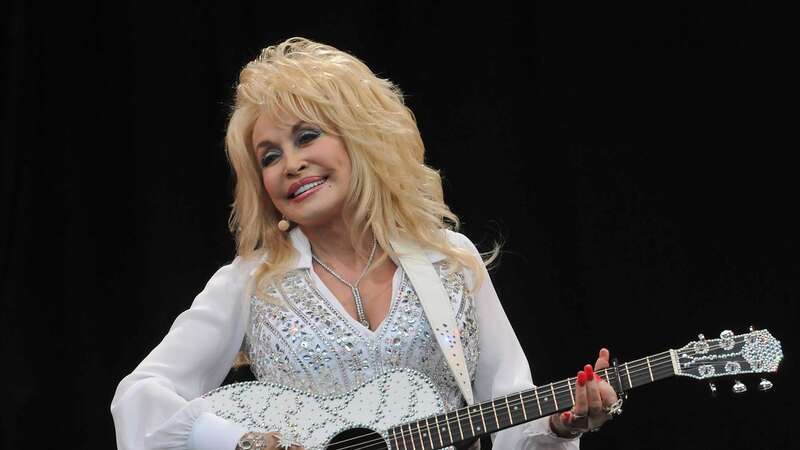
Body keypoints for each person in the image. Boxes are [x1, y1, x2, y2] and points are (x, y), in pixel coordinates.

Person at [110, 37, 619, 450]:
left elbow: (513, 414)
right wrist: (240, 441)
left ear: (361, 137)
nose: (290, 164)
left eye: (307, 136)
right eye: (269, 156)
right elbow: (140, 397)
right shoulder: (251, 281)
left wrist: (561, 426)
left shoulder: (449, 260)